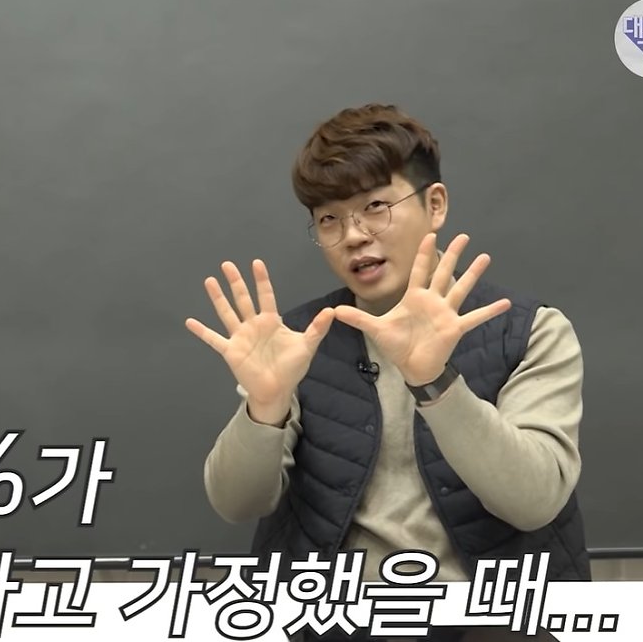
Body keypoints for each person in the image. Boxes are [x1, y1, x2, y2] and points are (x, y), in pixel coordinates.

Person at [187, 104, 587, 640]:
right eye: (329, 219)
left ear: (434, 204)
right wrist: (265, 407)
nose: (353, 235)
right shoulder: (299, 341)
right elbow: (237, 503)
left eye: (375, 207)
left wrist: (435, 382)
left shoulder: (531, 330)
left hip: (489, 622)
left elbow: (534, 500)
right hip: (333, 621)